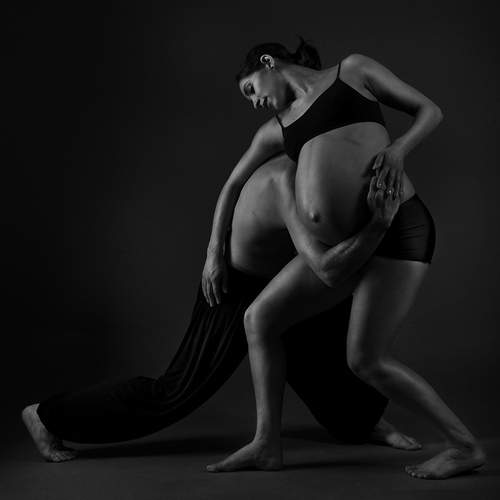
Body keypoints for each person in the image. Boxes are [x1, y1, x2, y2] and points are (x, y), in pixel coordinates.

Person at [204, 36, 486, 479]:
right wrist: (213, 253)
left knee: (365, 360)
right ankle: (266, 444)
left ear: (268, 62)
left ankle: (464, 447)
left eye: (250, 89)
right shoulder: (276, 130)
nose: (254, 101)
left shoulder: (351, 71)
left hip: (396, 231)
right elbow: (232, 185)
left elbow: (430, 111)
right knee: (258, 319)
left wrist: (397, 150)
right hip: (344, 250)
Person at [21, 149, 418, 463]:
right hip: (238, 286)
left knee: (329, 356)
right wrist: (215, 254)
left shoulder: (336, 165)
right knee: (175, 391)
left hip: (285, 279)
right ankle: (46, 416)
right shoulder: (285, 175)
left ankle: (363, 423)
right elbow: (323, 265)